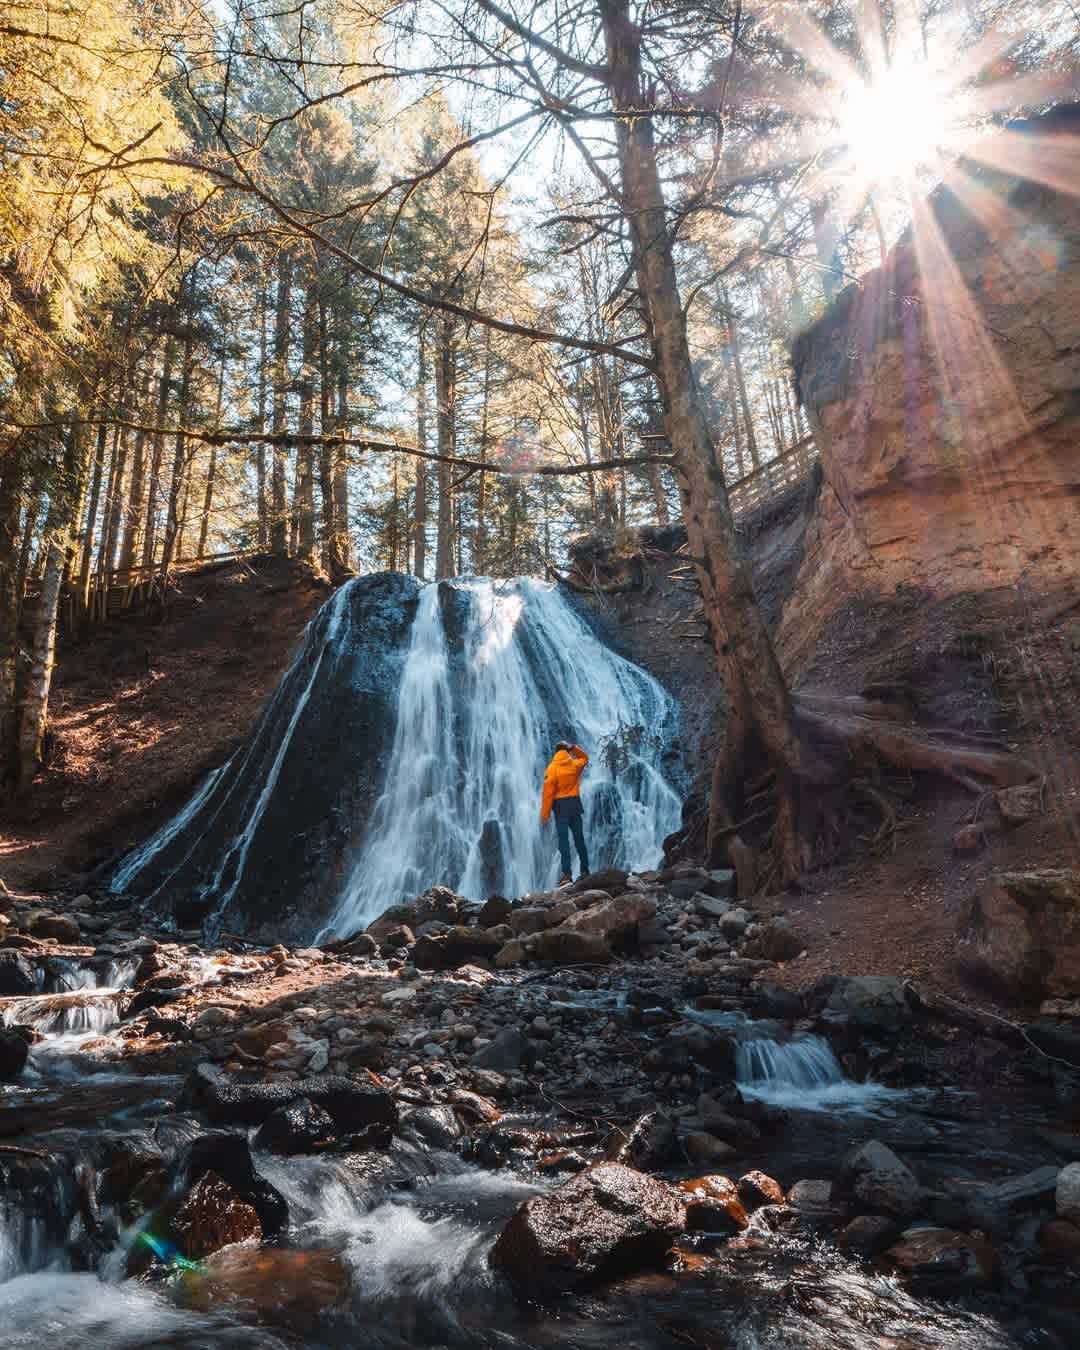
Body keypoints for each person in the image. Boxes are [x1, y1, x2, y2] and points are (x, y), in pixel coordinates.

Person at [540, 740, 591, 885]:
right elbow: (585, 758)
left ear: (555, 752)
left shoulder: (552, 768)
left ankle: (567, 874)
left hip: (561, 807)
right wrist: (574, 747)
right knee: (579, 839)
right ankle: (585, 870)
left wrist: (545, 815)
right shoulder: (574, 764)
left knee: (564, 842)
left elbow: (548, 793)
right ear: (567, 751)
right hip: (574, 804)